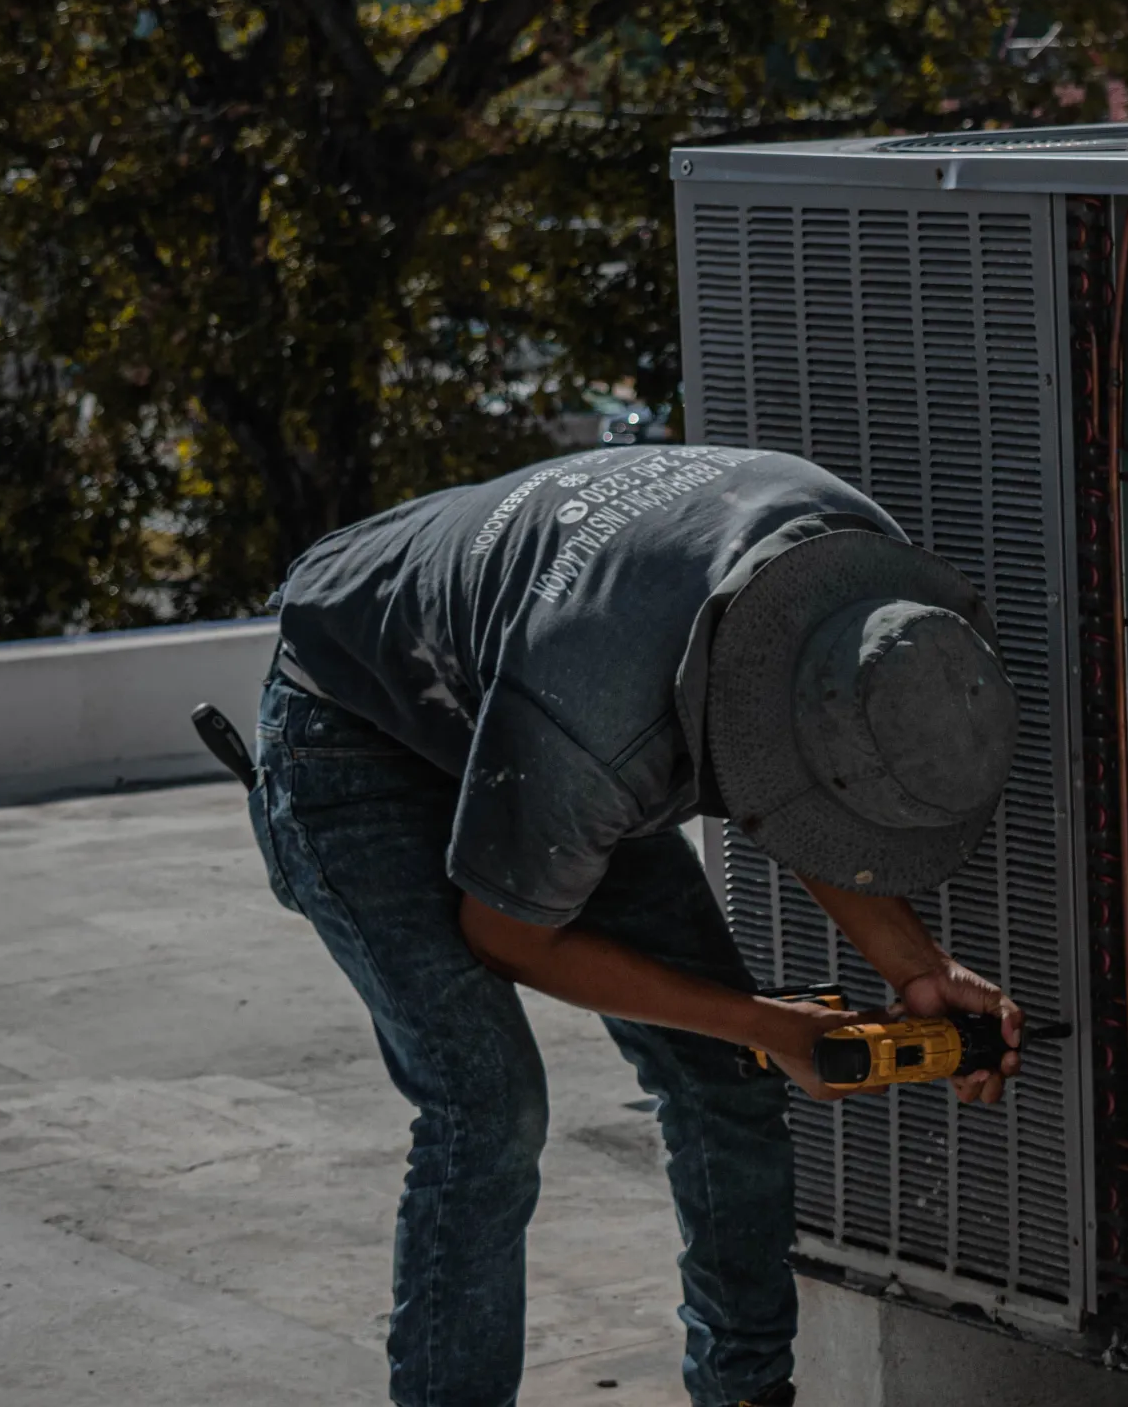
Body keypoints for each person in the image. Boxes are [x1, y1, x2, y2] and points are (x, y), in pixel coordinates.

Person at [246, 443, 1024, 1407]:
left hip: (537, 682)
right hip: (354, 724)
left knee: (726, 1079)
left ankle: (745, 1395)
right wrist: (769, 1026)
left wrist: (917, 969)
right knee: (488, 1108)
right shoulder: (600, 725)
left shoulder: (865, 586)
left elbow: (809, 783)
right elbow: (509, 937)